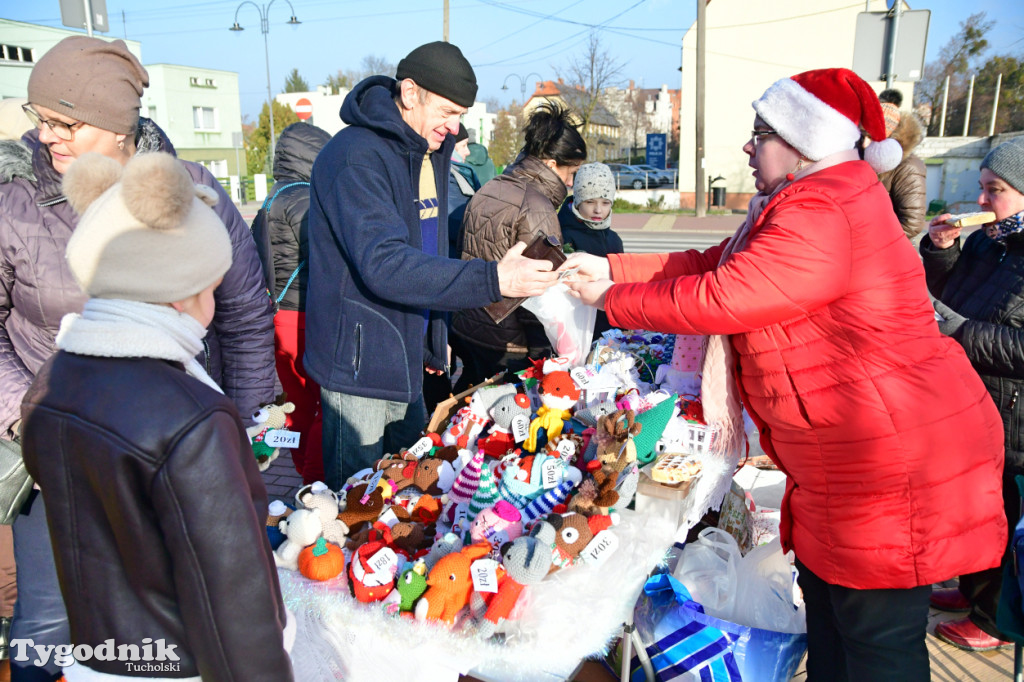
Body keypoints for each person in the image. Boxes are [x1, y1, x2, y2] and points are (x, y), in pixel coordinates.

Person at [565, 68, 1006, 681]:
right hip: (846, 460)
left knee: (875, 647)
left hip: (886, 461)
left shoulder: (827, 207)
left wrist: (612, 295)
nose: (748, 147)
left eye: (760, 133)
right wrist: (608, 265)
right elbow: (704, 261)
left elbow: (727, 295)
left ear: (804, 140)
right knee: (832, 630)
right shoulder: (796, 203)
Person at [0, 36, 275, 682]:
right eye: (40, 120)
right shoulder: (15, 206)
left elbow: (243, 314)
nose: (47, 136)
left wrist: (250, 428)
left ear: (118, 125)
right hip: (56, 460)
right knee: (46, 625)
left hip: (170, 448)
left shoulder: (193, 192)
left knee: (168, 623)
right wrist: (34, 420)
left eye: (65, 122)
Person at [304, 41, 559, 490]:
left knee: (408, 492)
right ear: (409, 93)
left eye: (461, 113)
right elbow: (385, 263)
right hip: (360, 369)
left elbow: (430, 247)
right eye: (447, 111)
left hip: (408, 357)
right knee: (358, 503)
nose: (455, 127)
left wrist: (435, 333)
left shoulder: (427, 150)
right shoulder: (355, 157)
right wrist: (495, 279)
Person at [922, 137, 1024, 651]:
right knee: (967, 504)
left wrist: (963, 333)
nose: (982, 201)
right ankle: (967, 588)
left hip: (1013, 414)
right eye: (982, 188)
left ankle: (993, 619)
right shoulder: (990, 238)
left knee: (1001, 512)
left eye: (997, 190)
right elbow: (944, 296)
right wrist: (940, 252)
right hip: (966, 399)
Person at [450, 103, 587, 394]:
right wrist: (543, 351)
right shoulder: (538, 208)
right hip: (508, 343)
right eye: (571, 172)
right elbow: (541, 294)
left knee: (467, 405)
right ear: (551, 164)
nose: (572, 182)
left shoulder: (489, 187)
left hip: (468, 326)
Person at [251, 121, 332, 485]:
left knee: (298, 405)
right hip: (306, 318)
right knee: (326, 408)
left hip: (277, 317)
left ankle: (301, 472)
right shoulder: (306, 201)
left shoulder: (270, 200)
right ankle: (315, 481)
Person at [557, 162, 623, 336]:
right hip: (577, 328)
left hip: (610, 325)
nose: (598, 209)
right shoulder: (565, 236)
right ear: (578, 201)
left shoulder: (614, 240)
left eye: (605, 202)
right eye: (590, 201)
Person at [876, 88, 927, 239]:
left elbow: (911, 223)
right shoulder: (865, 158)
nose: (865, 143)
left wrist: (869, 241)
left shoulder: (908, 167)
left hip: (884, 252)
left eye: (871, 137)